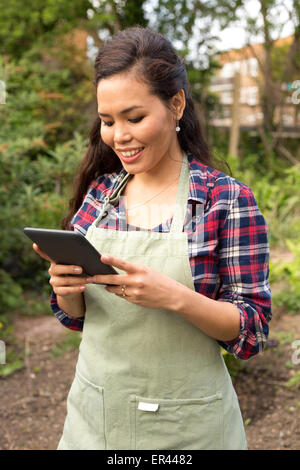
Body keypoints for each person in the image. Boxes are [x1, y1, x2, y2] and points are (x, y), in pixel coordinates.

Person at [33, 26, 272, 450]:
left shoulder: (223, 201)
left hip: (192, 429)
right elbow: (76, 318)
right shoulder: (101, 195)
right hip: (97, 421)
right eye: (108, 121)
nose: (118, 135)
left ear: (176, 104)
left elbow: (252, 331)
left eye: (134, 117)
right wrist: (66, 289)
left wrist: (174, 296)